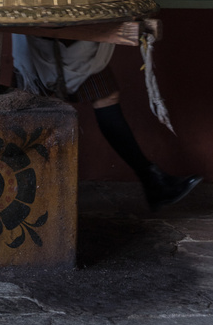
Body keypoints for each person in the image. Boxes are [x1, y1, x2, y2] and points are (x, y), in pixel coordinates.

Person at [12, 35, 202, 211]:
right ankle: (19, 192)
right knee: (28, 109)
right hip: (35, 44)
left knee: (106, 97)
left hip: (80, 43)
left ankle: (153, 182)